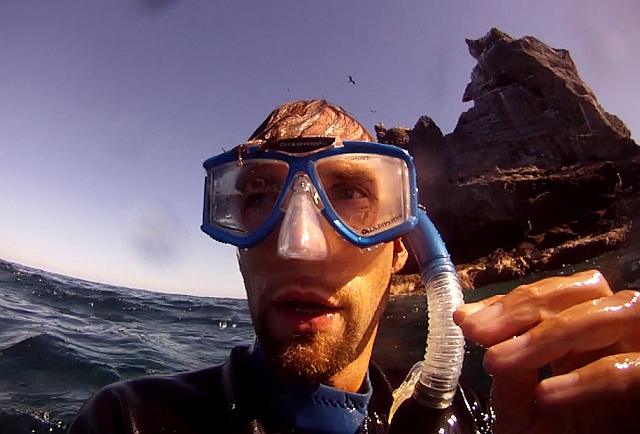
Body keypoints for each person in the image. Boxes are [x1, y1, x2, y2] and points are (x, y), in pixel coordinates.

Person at [69, 100, 640, 434]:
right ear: (239, 245)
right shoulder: (135, 421)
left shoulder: (480, 421)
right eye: (260, 196)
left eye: (349, 194)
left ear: (403, 247)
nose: (299, 246)